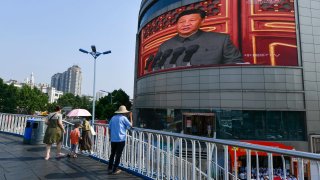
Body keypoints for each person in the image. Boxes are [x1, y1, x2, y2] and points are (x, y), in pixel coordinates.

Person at [153, 9, 243, 70]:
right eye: (181, 22)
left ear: (202, 21)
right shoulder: (165, 46)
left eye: (192, 20)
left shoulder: (221, 40)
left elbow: (235, 65)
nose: (186, 24)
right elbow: (156, 68)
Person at [108, 105, 133, 175]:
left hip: (113, 139)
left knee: (112, 154)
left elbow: (109, 128)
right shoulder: (123, 118)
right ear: (124, 112)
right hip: (121, 139)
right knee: (118, 155)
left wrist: (110, 137)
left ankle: (110, 168)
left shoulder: (113, 118)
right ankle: (115, 170)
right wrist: (131, 117)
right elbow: (131, 125)